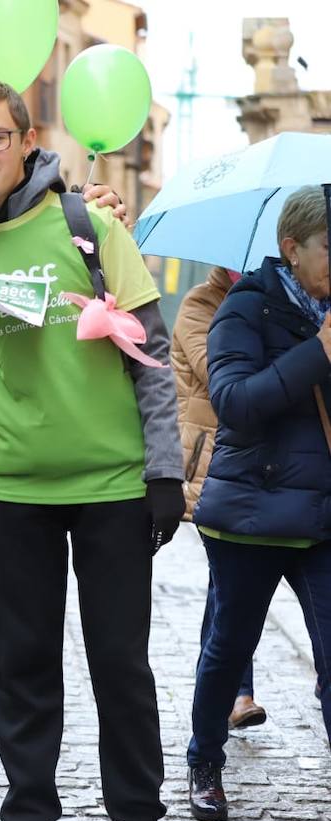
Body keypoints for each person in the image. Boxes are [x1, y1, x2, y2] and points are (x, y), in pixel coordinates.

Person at [0, 78, 193, 821]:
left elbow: (152, 359)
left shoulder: (90, 224)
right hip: (10, 492)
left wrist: (163, 474)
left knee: (120, 663)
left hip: (113, 485)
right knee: (20, 670)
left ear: (26, 137)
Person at [187, 185, 331, 821]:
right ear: (291, 248)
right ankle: (204, 759)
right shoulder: (242, 309)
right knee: (228, 647)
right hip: (252, 514)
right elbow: (236, 403)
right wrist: (319, 353)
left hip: (323, 513)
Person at [174, 267, 267, 730]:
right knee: (227, 583)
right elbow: (220, 377)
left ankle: (230, 692)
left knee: (230, 587)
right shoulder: (200, 304)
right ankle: (233, 692)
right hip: (213, 460)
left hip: (258, 461)